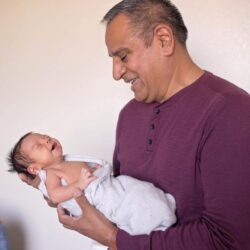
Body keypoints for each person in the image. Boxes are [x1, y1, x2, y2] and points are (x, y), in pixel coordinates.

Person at [19, 0, 250, 249]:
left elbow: (229, 240)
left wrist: (112, 239)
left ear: (163, 40)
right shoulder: (128, 115)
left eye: (123, 56)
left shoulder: (231, 111)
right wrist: (52, 183)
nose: (116, 73)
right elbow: (121, 204)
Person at [8, 132, 176, 236]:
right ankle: (155, 224)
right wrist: (79, 184)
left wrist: (96, 169)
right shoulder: (50, 173)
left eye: (45, 136)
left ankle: (160, 209)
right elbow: (55, 194)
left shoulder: (67, 160)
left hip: (110, 184)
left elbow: (92, 169)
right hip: (102, 197)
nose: (46, 140)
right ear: (35, 168)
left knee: (140, 190)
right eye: (39, 145)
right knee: (132, 205)